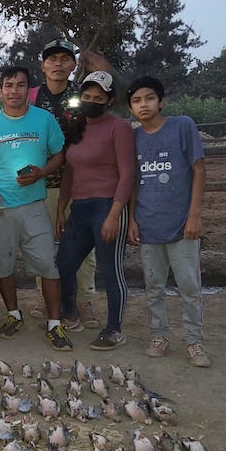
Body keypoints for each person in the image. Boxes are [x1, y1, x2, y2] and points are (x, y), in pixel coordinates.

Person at [0, 66, 73, 351]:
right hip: (0, 207)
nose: (14, 91)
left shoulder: (44, 120)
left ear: (28, 90)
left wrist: (41, 173)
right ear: (0, 90)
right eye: (8, 85)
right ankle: (13, 315)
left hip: (33, 206)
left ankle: (55, 324)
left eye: (20, 85)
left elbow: (61, 154)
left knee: (47, 265)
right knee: (2, 264)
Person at [126, 76, 210, 367]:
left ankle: (195, 341)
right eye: (136, 101)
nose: (143, 105)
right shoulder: (134, 138)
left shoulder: (182, 126)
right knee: (154, 286)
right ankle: (159, 335)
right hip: (149, 226)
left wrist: (194, 214)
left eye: (149, 98)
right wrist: (133, 219)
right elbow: (134, 182)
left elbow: (198, 170)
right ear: (131, 108)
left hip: (181, 226)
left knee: (188, 285)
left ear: (160, 101)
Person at [55, 71, 135, 351]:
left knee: (110, 269)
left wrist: (115, 215)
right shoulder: (77, 128)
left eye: (98, 98)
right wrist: (61, 209)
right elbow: (69, 172)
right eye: (86, 96)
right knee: (63, 265)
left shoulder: (120, 128)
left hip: (107, 206)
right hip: (79, 208)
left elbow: (127, 175)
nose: (91, 101)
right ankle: (70, 315)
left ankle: (114, 329)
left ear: (110, 100)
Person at [29, 39, 98, 327]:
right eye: (51, 58)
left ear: (73, 64)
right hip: (38, 184)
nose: (58, 63)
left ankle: (85, 301)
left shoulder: (86, 96)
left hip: (79, 184)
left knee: (82, 246)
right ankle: (44, 298)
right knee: (39, 246)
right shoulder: (30, 96)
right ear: (43, 64)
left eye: (64, 58)